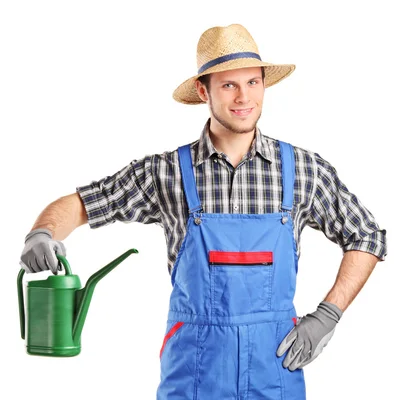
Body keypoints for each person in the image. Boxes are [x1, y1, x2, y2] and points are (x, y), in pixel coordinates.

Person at [20, 23, 388, 400]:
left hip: (273, 370)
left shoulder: (303, 170)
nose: (244, 97)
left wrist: (328, 314)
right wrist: (43, 233)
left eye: (253, 82)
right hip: (194, 374)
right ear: (203, 90)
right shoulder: (165, 173)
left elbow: (367, 236)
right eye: (229, 85)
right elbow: (81, 204)